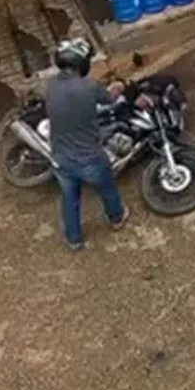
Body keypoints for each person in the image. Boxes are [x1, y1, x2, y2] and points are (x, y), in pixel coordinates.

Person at [45, 38, 129, 250]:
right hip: (89, 157)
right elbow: (110, 98)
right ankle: (117, 218)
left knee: (70, 200)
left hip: (61, 158)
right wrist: (118, 86)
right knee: (107, 189)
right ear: (81, 64)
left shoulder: (51, 85)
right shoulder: (89, 87)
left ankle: (74, 240)